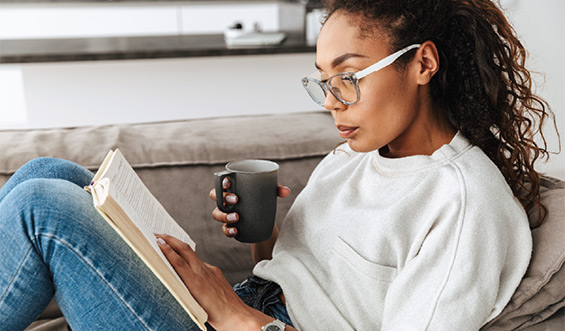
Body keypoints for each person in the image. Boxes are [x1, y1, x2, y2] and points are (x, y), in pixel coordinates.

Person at [0, 0, 558, 330]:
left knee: (40, 207)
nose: (332, 100)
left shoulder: (465, 204)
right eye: (322, 80)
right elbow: (299, 279)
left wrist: (238, 316)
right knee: (48, 173)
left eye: (349, 76)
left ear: (423, 63)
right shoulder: (353, 158)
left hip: (245, 324)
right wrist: (261, 238)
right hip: (244, 308)